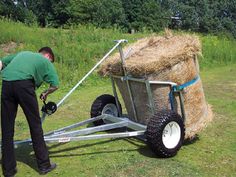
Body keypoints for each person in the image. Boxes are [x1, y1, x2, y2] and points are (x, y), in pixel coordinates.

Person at [0, 47, 59, 177]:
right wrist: (46, 92)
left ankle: (8, 171)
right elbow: (55, 84)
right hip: (24, 85)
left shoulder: (23, 53)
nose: (50, 63)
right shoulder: (45, 61)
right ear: (48, 56)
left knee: (7, 128)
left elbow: (1, 62)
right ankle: (44, 165)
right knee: (35, 125)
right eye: (51, 61)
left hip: (6, 84)